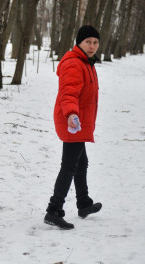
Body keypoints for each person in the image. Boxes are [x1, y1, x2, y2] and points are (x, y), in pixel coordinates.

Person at [44, 25, 103, 229]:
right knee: (69, 165)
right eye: (88, 42)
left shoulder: (86, 62)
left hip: (79, 121)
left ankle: (83, 203)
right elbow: (69, 93)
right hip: (73, 121)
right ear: (79, 42)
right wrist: (71, 114)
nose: (92, 46)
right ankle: (54, 210)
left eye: (95, 42)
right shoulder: (74, 64)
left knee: (81, 163)